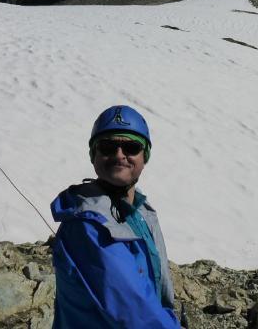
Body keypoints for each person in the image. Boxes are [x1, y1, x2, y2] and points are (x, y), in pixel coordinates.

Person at [50, 105, 179, 328]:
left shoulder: (140, 212)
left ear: (144, 156)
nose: (120, 155)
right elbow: (135, 313)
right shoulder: (87, 226)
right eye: (108, 147)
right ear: (94, 155)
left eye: (131, 147)